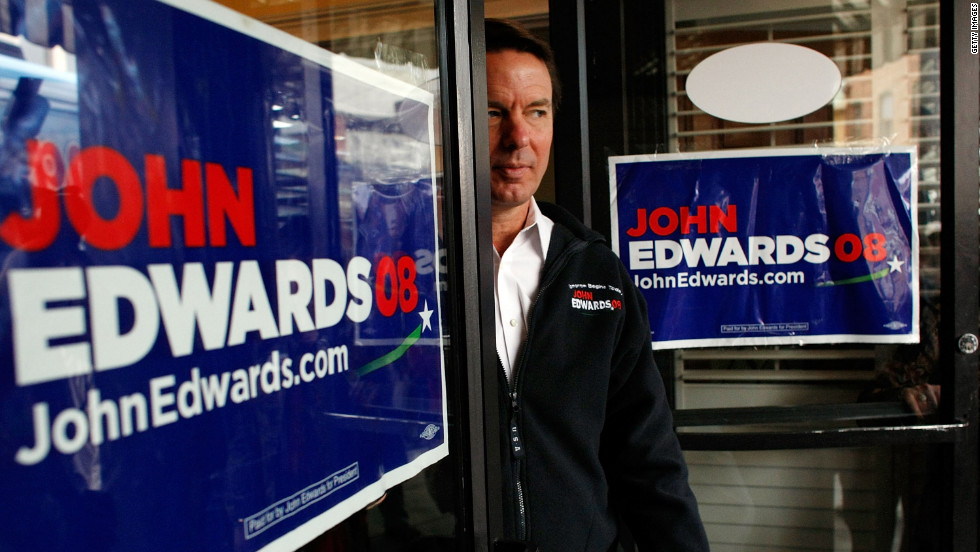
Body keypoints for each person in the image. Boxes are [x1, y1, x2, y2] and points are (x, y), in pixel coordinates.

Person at [485, 19, 709, 551]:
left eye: (536, 112)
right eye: (493, 112)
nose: (519, 138)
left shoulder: (595, 270)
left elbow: (647, 454)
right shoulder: (398, 275)